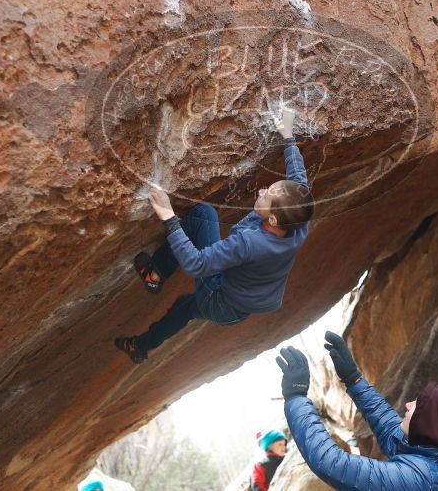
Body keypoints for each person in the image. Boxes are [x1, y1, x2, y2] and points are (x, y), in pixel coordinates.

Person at [115, 109, 314, 363]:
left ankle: (155, 273)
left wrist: (168, 215)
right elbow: (299, 182)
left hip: (219, 297)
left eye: (267, 195)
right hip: (236, 310)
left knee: (204, 215)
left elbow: (196, 263)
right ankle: (139, 346)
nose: (263, 190)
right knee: (184, 307)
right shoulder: (297, 220)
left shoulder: (251, 243)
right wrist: (287, 135)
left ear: (273, 220)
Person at [274, 331, 438, 491]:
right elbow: (389, 427)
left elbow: (332, 463)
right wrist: (353, 379)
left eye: (418, 406)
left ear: (430, 427)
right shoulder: (437, 456)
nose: (408, 404)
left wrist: (296, 397)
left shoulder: (419, 479)